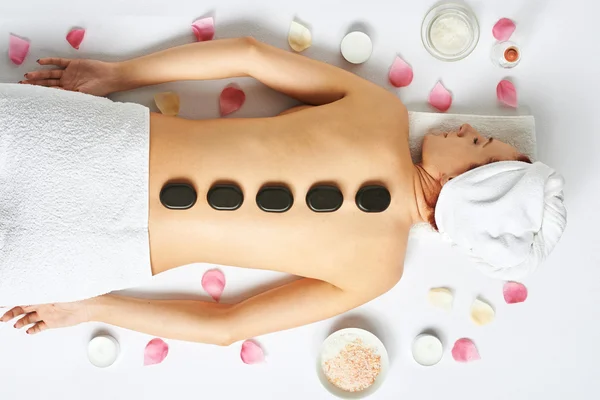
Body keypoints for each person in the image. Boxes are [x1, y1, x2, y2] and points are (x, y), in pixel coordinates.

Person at [0, 37, 566, 344]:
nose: (471, 129)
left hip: (96, 158)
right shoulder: (377, 270)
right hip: (96, 236)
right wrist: (92, 306)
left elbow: (249, 55)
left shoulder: (380, 112)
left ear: (472, 187)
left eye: (484, 146)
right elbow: (228, 327)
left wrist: (123, 75)